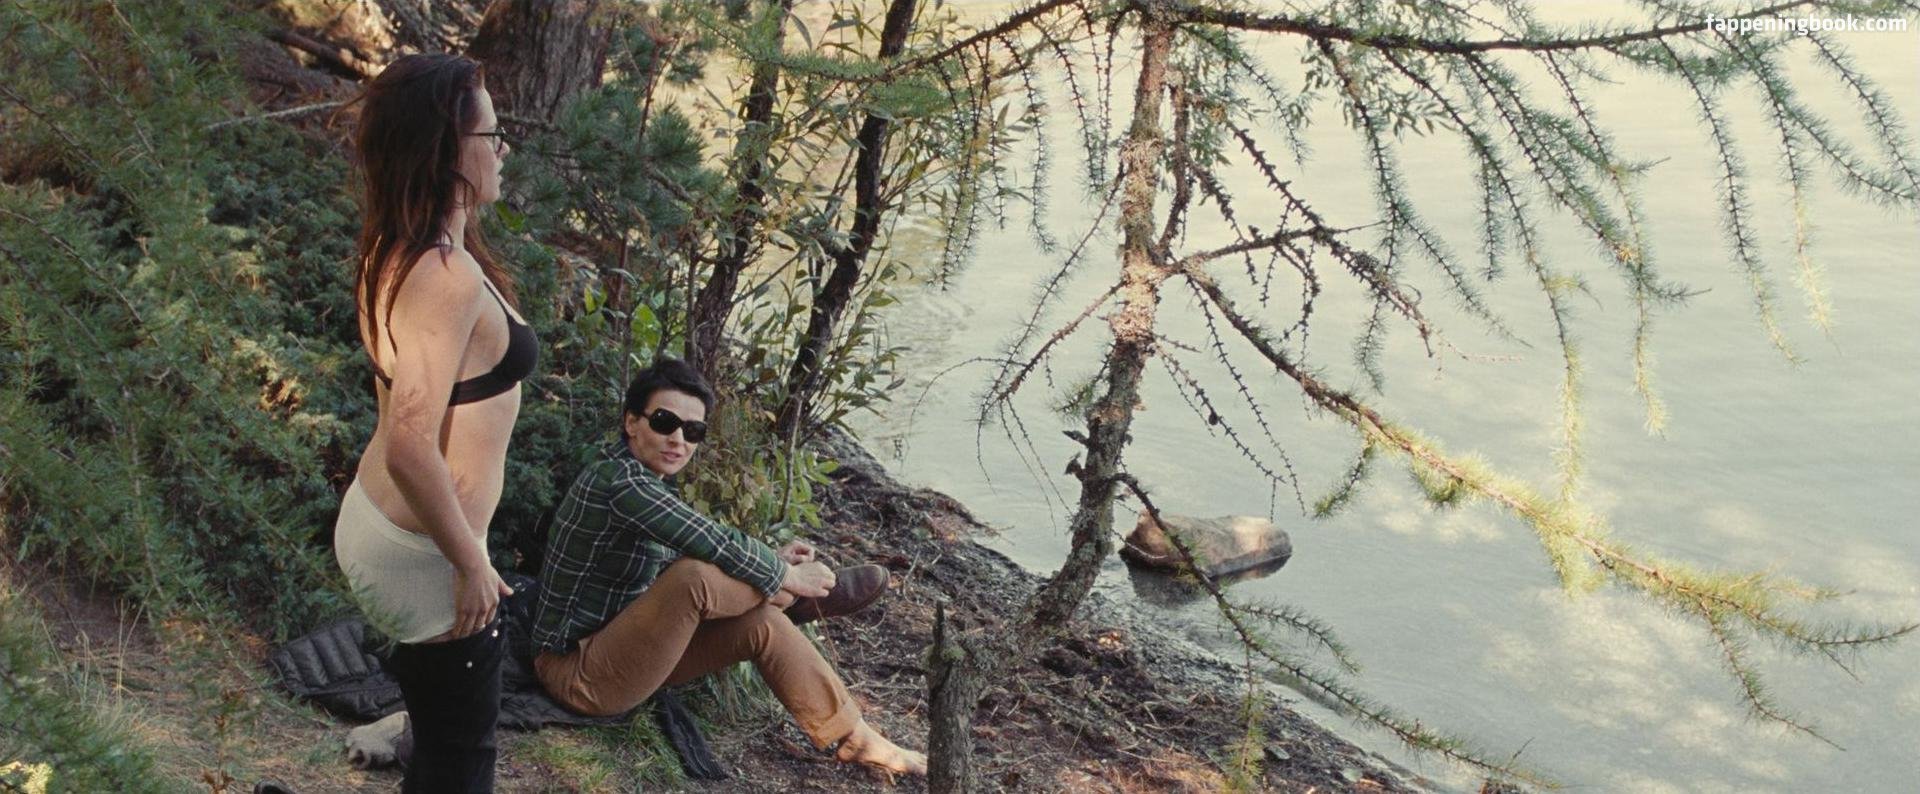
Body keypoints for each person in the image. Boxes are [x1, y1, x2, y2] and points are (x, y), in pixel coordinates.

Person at [529, 358, 927, 777]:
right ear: (631, 422)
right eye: (664, 422)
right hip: (577, 675)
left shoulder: (644, 481)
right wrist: (784, 576)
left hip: (623, 652)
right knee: (696, 578)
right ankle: (787, 596)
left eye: (693, 431)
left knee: (762, 623)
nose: (678, 439)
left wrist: (773, 560)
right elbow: (709, 539)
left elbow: (678, 560)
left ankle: (856, 736)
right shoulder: (620, 483)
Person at [332, 53, 527, 793]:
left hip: (385, 524)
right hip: (426, 553)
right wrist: (470, 563)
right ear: (449, 150)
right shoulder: (445, 277)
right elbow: (412, 446)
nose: (503, 148)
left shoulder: (397, 248)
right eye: (491, 134)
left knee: (441, 742)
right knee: (459, 766)